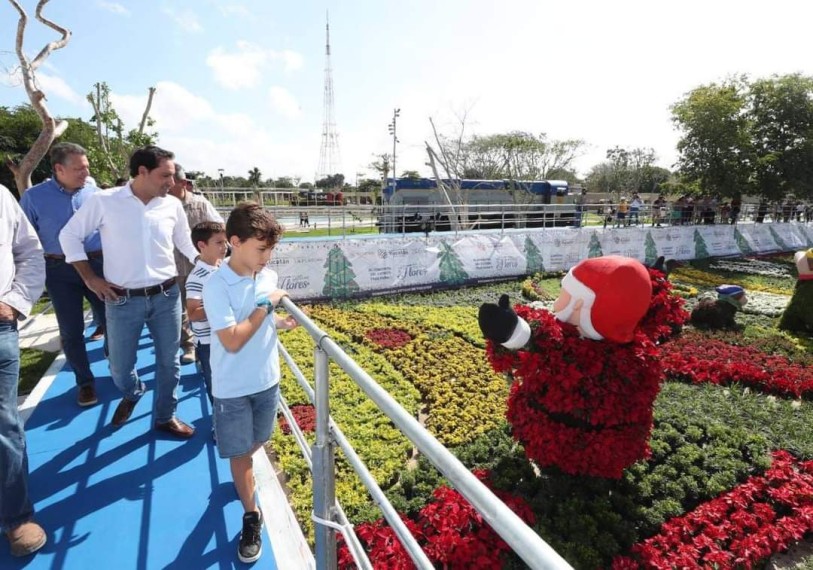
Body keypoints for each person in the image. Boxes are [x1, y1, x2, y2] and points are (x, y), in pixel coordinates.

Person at [478, 256, 669, 478]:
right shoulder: (642, 358)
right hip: (614, 452)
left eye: (563, 294)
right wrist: (654, 280)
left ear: (579, 304)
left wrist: (510, 331)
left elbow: (533, 337)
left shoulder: (563, 349)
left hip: (557, 446)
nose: (557, 302)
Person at [59, 145, 199, 438]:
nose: (171, 183)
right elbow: (69, 236)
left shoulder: (171, 205)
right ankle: (134, 391)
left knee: (169, 362)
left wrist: (212, 267)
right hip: (121, 300)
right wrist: (90, 278)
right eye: (165, 176)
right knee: (120, 368)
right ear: (142, 172)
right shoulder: (104, 201)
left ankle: (165, 415)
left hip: (167, 296)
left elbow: (185, 244)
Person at [202, 202, 297, 563]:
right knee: (241, 453)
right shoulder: (216, 286)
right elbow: (232, 340)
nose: (267, 257)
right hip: (232, 389)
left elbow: (256, 323)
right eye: (261, 249)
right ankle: (251, 516)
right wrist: (268, 308)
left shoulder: (266, 277)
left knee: (259, 440)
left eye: (271, 249)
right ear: (234, 241)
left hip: (267, 379)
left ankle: (239, 472)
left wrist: (278, 323)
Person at [19, 142, 107, 407]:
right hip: (59, 271)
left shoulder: (97, 195)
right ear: (59, 168)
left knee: (113, 319)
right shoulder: (34, 198)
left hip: (99, 266)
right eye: (79, 169)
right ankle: (85, 383)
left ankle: (118, 363)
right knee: (71, 331)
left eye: (87, 168)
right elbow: (25, 238)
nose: (85, 173)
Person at [0, 184, 47, 556]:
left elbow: (29, 252)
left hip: (0, 327)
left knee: (4, 423)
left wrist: (14, 302)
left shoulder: (1, 197)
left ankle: (16, 517)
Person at [168, 164, 224, 366]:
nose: (165, 185)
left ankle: (208, 346)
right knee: (181, 309)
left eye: (170, 180)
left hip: (204, 267)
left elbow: (220, 227)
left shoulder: (201, 204)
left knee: (207, 305)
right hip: (174, 268)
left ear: (183, 183)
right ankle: (189, 346)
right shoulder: (162, 205)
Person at [184, 221, 228, 404]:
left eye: (225, 242)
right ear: (202, 245)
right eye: (219, 243)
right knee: (216, 385)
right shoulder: (197, 277)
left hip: (224, 336)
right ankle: (219, 424)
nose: (225, 247)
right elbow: (193, 314)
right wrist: (222, 303)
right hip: (209, 342)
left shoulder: (223, 267)